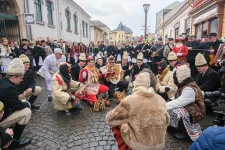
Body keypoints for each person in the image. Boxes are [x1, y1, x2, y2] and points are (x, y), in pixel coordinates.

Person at [106, 69, 170, 150]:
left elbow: (109, 120)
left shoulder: (130, 100)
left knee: (118, 124)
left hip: (139, 146)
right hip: (159, 145)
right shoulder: (161, 99)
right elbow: (167, 121)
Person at [166, 65, 206, 141]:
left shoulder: (189, 88)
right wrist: (169, 101)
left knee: (177, 112)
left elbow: (180, 101)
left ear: (180, 77)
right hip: (190, 108)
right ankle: (175, 127)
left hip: (197, 112)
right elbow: (178, 98)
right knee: (172, 107)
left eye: (175, 77)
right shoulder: (185, 85)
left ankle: (184, 132)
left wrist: (163, 106)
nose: (174, 79)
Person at [0, 58, 32, 149]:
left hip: (3, 111)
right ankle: (13, 141)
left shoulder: (3, 82)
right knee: (27, 112)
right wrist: (28, 104)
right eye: (20, 78)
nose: (21, 80)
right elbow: (18, 105)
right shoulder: (9, 88)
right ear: (14, 77)